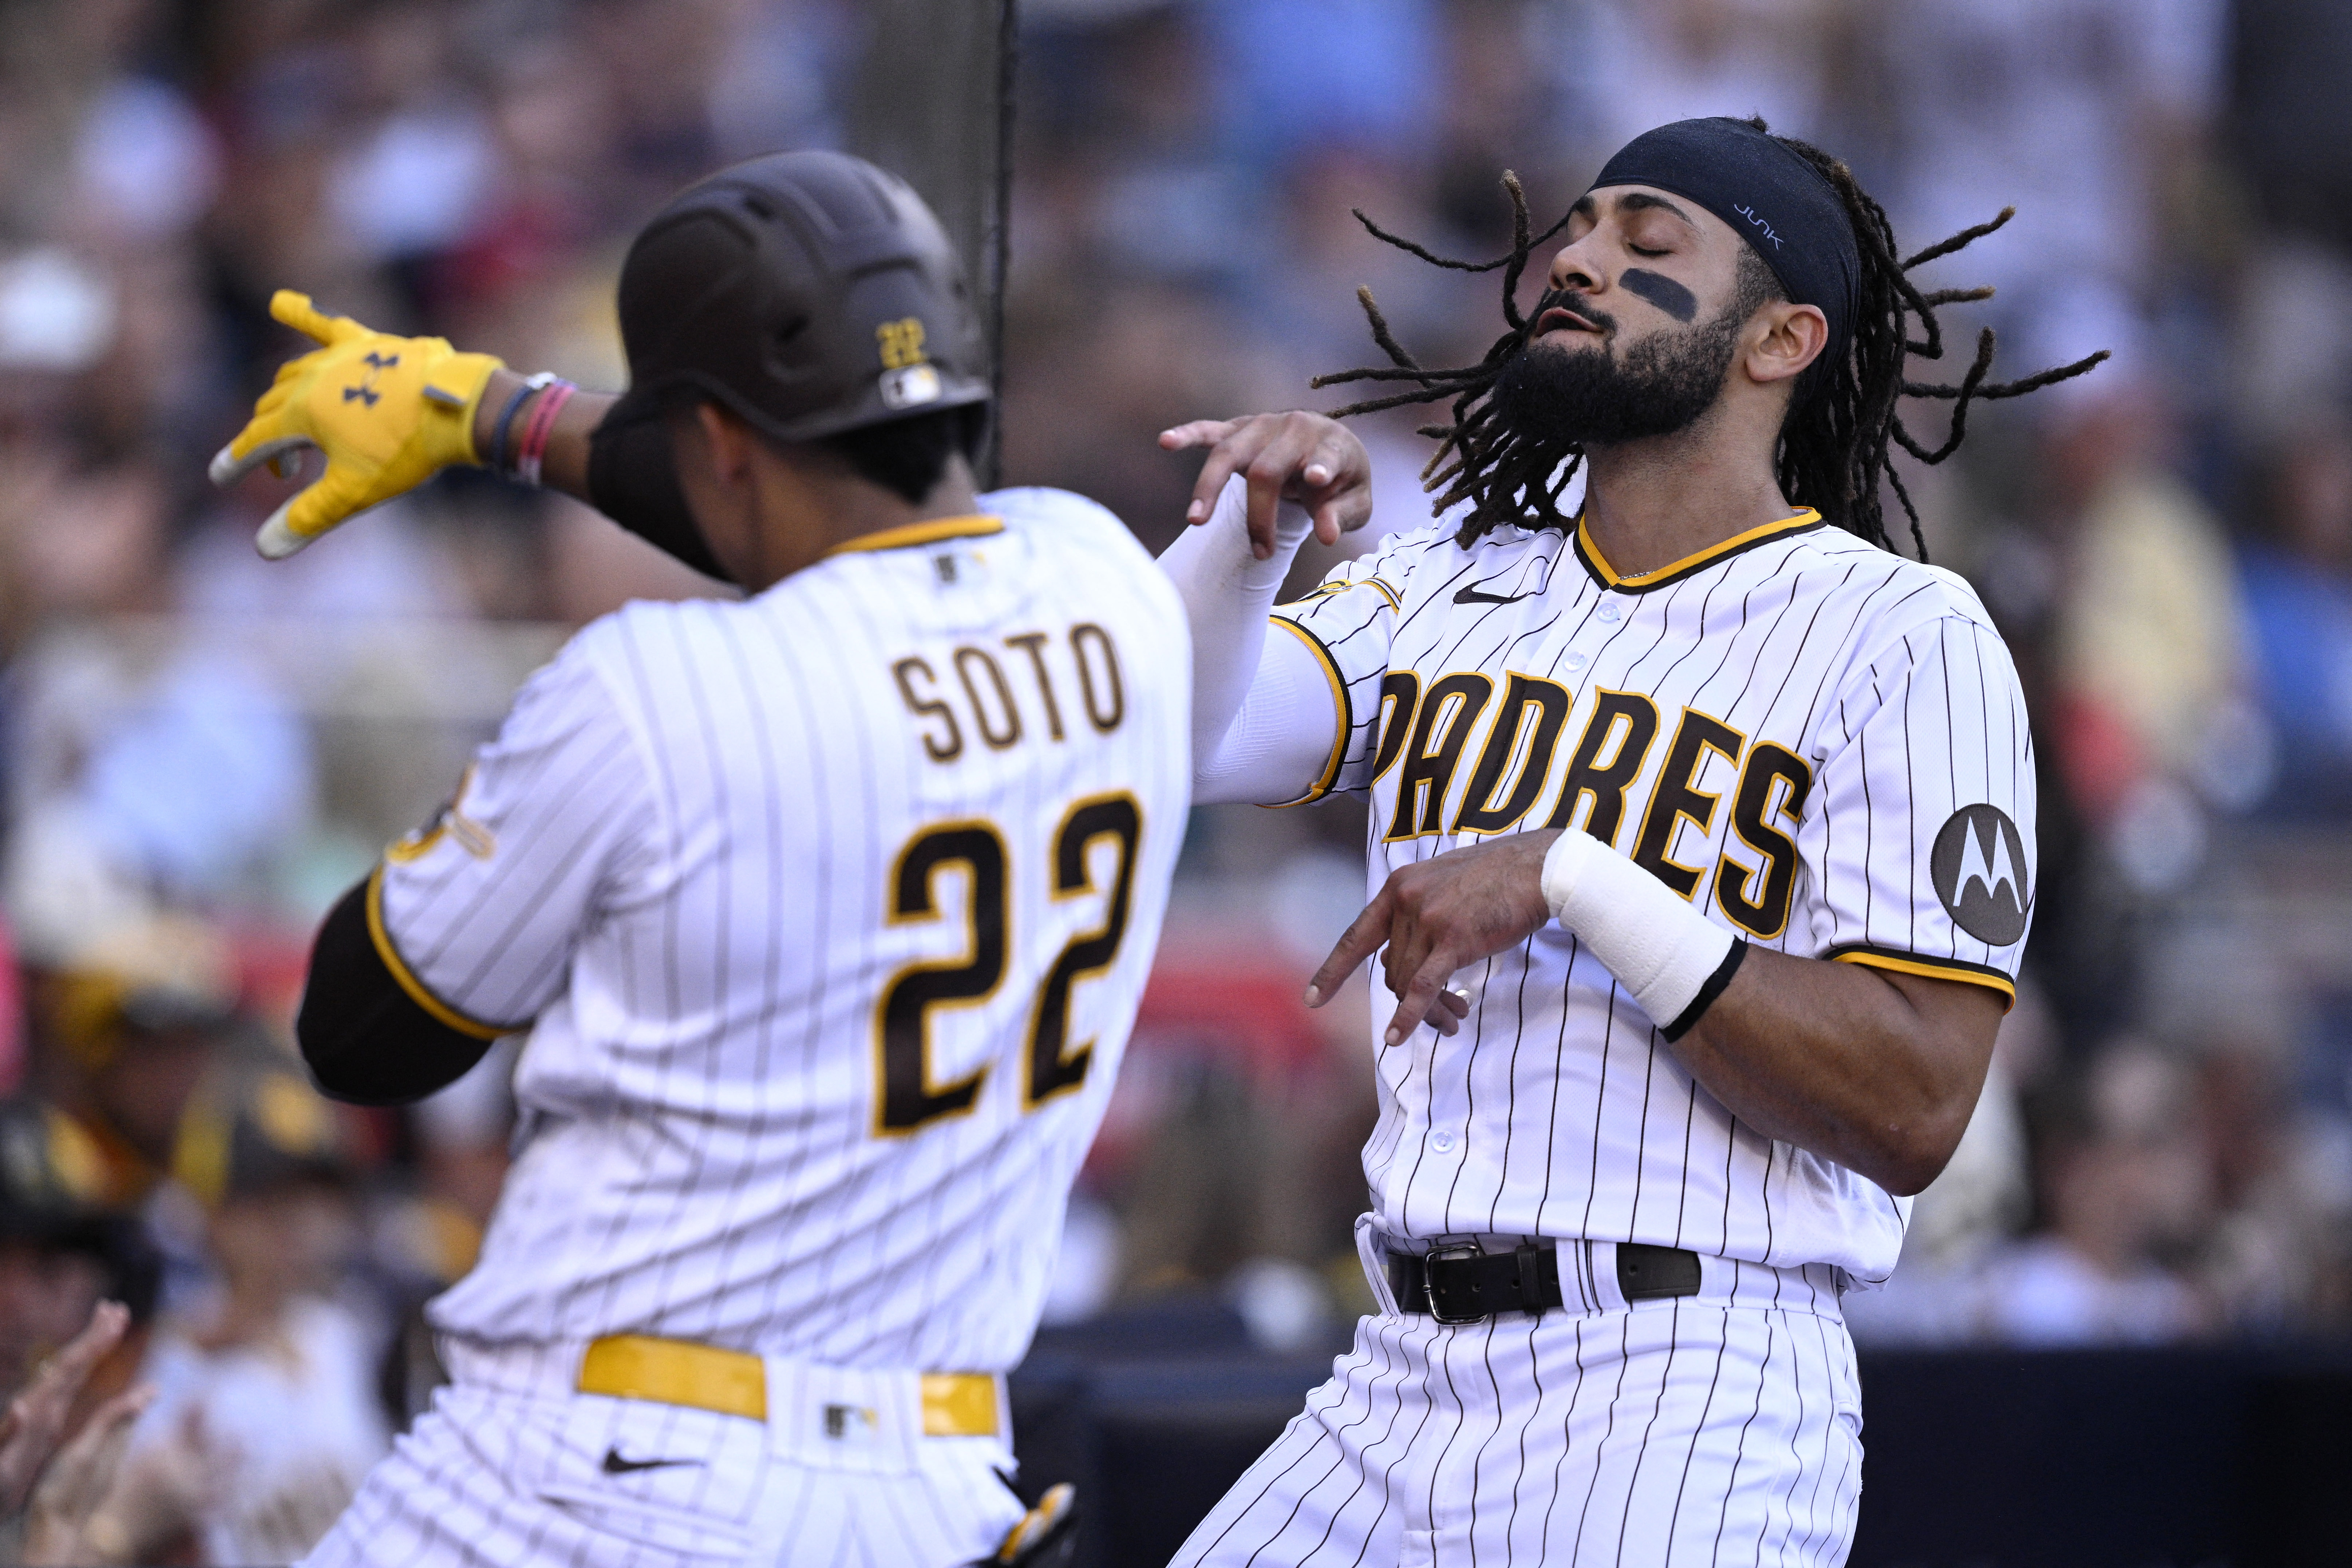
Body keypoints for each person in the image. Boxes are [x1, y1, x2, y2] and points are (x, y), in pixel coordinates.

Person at [209, 151, 1189, 1566]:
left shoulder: (648, 690)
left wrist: (493, 801)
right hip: (936, 1491)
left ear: (718, 439)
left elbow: (364, 1039)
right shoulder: (1110, 589)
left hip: (588, 1477)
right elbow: (834, 521)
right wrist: (500, 415)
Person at [1150, 116, 2099, 1565]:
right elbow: (1170, 739)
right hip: (1395, 1369)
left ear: (1778, 340)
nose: (1579, 260)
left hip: (1682, 1380)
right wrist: (1243, 542)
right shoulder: (1449, 581)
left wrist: (1578, 878)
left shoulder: (1901, 635)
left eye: (1646, 245)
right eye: (1578, 232)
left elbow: (1913, 1104)